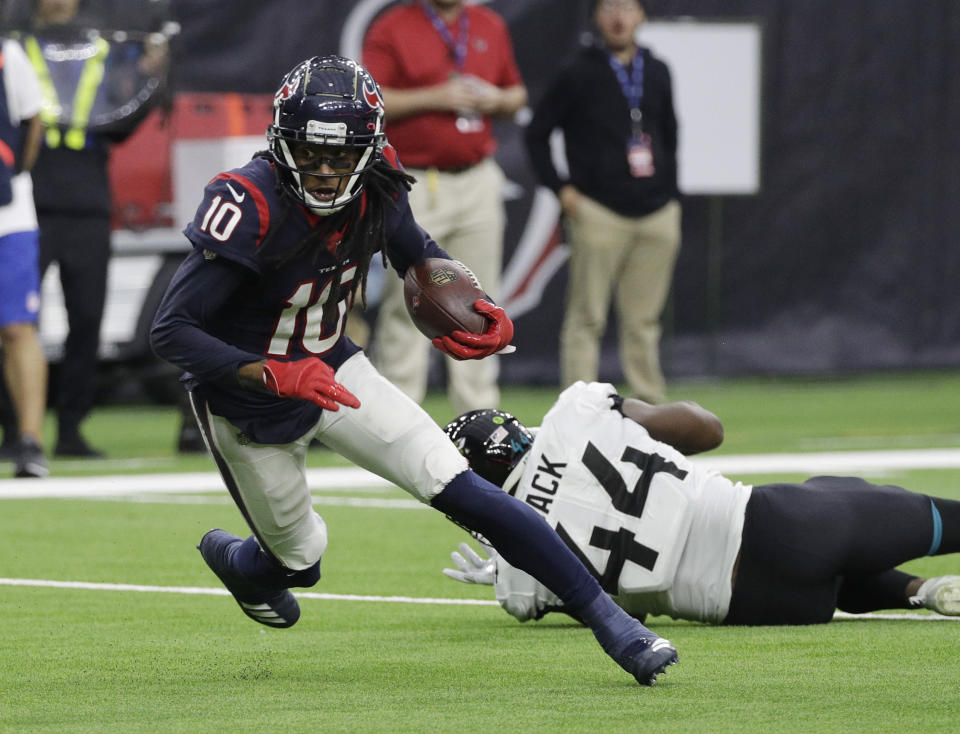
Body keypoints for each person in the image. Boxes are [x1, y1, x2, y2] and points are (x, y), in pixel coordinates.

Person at [150, 56, 678, 687]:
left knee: (455, 482)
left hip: (334, 368)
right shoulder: (251, 200)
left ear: (367, 150)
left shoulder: (377, 184)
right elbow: (172, 330)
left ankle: (615, 625)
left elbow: (419, 255)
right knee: (301, 561)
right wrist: (270, 374)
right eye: (309, 153)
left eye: (340, 156)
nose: (323, 170)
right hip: (247, 404)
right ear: (281, 143)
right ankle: (243, 562)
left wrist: (475, 306)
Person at [441, 381, 960, 625]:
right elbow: (707, 430)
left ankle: (924, 591)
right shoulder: (574, 415)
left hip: (752, 607)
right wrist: (623, 421)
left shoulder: (517, 576)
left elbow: (625, 618)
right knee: (837, 488)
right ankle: (924, 579)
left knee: (837, 579)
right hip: (779, 526)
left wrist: (523, 553)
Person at [363, 0, 527, 414]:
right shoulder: (393, 26)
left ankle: (482, 415)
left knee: (482, 299)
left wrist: (495, 98)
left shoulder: (488, 24)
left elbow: (517, 94)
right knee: (407, 301)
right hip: (416, 178)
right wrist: (436, 96)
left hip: (476, 175)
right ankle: (399, 416)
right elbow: (372, 100)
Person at [24, 0, 169, 457]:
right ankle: (17, 430)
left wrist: (149, 70)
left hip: (88, 201)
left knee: (86, 320)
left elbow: (123, 114)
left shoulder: (103, 50)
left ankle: (71, 430)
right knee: (15, 324)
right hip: (28, 205)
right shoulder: (18, 48)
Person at [524, 0, 680, 403]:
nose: (619, 17)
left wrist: (671, 195)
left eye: (627, 7)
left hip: (656, 210)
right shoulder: (577, 71)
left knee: (644, 320)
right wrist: (561, 190)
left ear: (642, 15)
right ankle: (579, 406)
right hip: (598, 210)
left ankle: (652, 408)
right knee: (586, 317)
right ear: (596, 16)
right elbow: (536, 134)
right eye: (610, 7)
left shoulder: (658, 70)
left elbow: (669, 135)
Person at [0, 34, 48, 478]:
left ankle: (30, 441)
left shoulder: (6, 52)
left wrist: (14, 177)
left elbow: (33, 119)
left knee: (17, 327)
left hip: (7, 217)